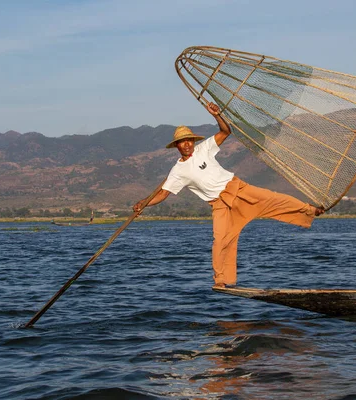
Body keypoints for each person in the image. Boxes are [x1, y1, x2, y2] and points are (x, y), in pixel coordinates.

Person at [133, 102, 324, 288]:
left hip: (237, 188)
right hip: (220, 205)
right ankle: (221, 280)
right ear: (177, 146)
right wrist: (143, 203)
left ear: (193, 141)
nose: (187, 144)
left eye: (189, 140)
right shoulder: (178, 171)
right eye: (183, 142)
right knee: (221, 241)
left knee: (274, 199)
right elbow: (164, 193)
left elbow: (225, 132)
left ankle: (310, 211)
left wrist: (217, 115)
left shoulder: (203, 148)